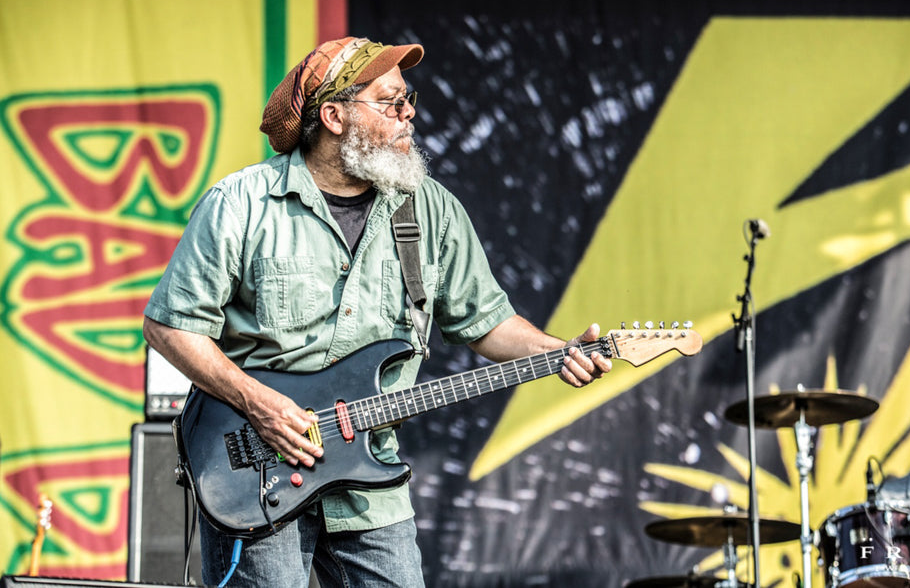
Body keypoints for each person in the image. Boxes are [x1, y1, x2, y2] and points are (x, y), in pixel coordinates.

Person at [141, 36, 612, 588]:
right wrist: (259, 403)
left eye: (407, 98)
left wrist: (557, 352)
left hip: (369, 484)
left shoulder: (429, 207)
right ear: (335, 116)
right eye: (390, 101)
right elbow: (169, 324)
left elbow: (487, 322)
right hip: (254, 473)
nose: (408, 111)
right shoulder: (241, 203)